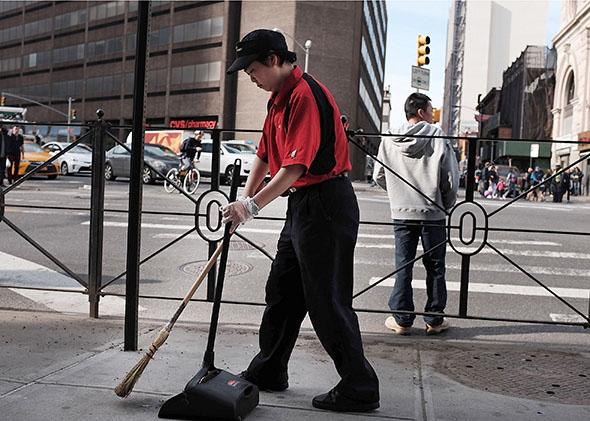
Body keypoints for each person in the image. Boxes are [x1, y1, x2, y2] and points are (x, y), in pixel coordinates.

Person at [221, 29, 379, 413]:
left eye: (254, 69)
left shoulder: (304, 96)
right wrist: (243, 198)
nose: (251, 77)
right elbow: (262, 154)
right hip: (304, 206)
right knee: (283, 291)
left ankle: (360, 386)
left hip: (326, 204)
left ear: (274, 60)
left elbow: (293, 168)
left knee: (327, 300)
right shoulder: (278, 98)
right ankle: (270, 368)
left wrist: (252, 207)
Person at [375, 92, 459, 336]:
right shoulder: (437, 134)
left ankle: (402, 319)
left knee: (404, 265)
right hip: (433, 212)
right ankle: (434, 319)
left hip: (401, 212)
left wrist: (398, 195)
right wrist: (446, 204)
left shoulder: (389, 137)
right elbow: (451, 178)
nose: (433, 116)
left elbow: (378, 175)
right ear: (421, 112)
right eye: (431, 111)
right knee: (435, 266)